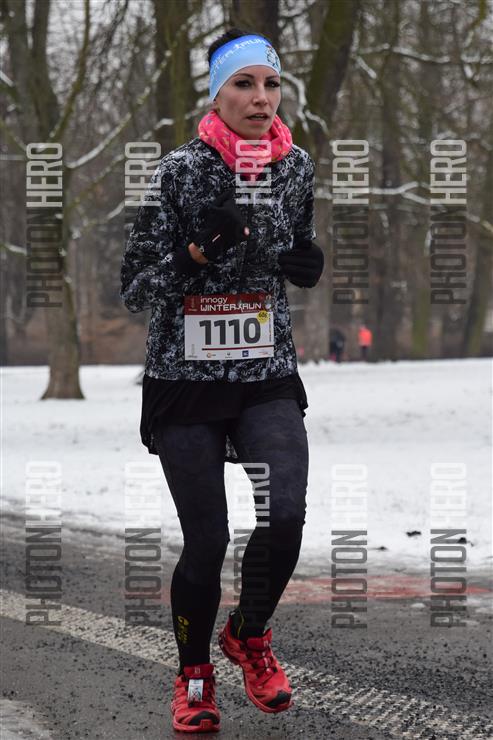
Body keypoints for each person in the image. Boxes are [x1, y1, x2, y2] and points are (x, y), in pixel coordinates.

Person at [120, 27, 324, 734]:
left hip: (265, 372)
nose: (261, 98)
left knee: (286, 514)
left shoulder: (296, 167)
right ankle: (194, 676)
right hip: (186, 380)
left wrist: (307, 261)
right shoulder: (178, 171)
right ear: (217, 94)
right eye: (243, 84)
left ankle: (249, 632)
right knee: (207, 539)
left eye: (271, 84)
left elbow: (297, 246)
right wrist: (195, 254)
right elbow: (135, 287)